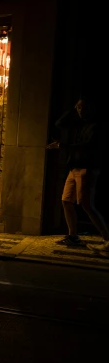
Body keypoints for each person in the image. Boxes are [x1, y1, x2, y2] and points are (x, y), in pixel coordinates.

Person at [48, 97, 108, 250]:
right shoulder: (80, 123)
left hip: (86, 168)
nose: (80, 110)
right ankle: (73, 236)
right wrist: (72, 109)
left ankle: (107, 238)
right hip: (74, 167)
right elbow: (59, 124)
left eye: (82, 107)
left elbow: (87, 146)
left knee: (86, 204)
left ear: (90, 108)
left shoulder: (96, 126)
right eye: (78, 107)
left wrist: (63, 145)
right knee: (66, 200)